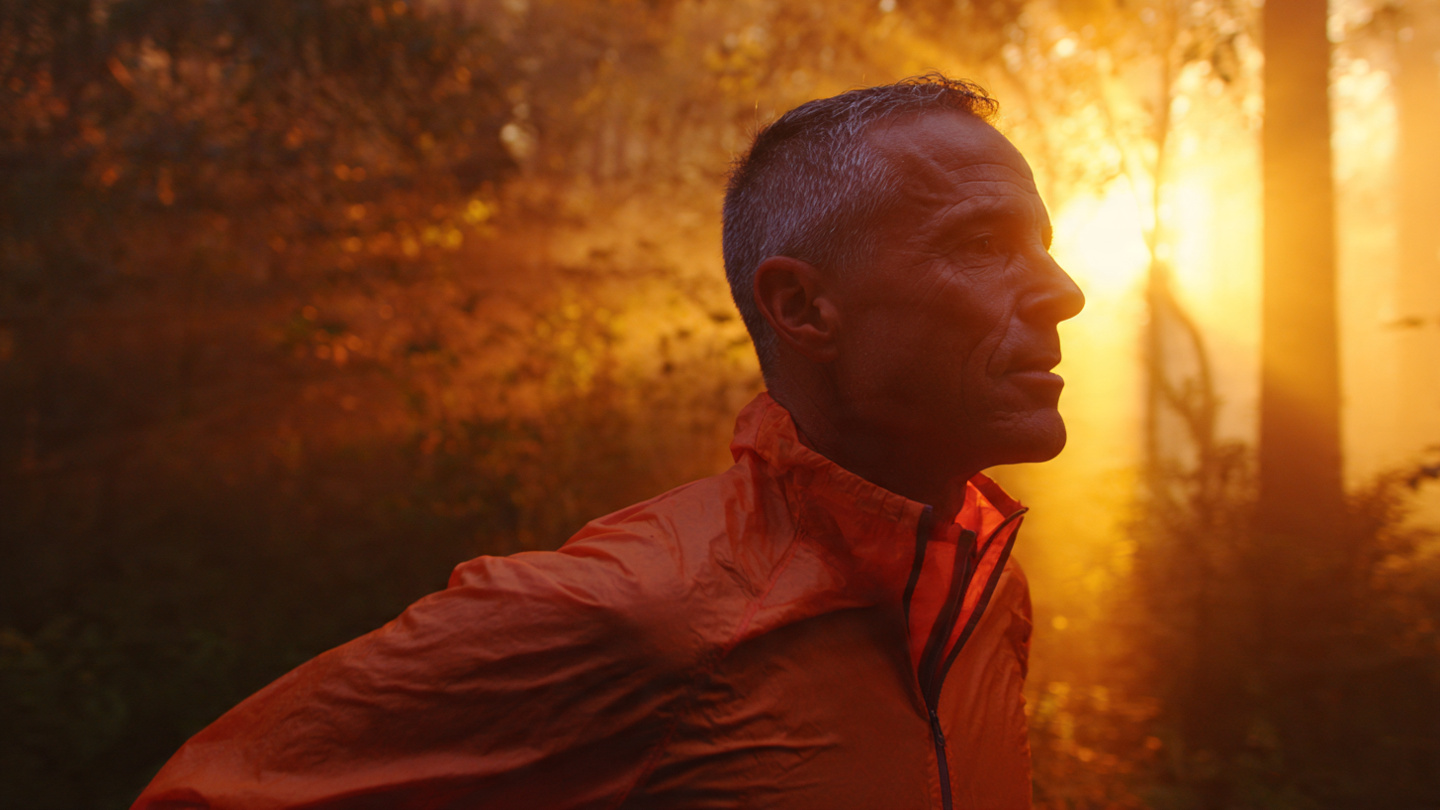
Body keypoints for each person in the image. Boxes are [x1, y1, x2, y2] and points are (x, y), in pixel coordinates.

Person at [133, 74, 1084, 810]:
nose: (1063, 292)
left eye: (1042, 244)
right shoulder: (642, 615)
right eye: (981, 246)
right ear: (802, 307)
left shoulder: (986, 583)